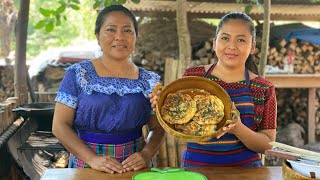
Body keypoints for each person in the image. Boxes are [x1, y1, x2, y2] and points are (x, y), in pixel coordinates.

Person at [150, 12, 276, 167]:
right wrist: (161, 104)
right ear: (215, 43)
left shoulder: (263, 88)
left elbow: (268, 145)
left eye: (241, 40)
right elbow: (176, 125)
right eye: (225, 38)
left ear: (253, 47)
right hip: (196, 170)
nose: (232, 46)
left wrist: (238, 129)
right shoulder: (193, 76)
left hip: (246, 173)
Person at [52, 5, 165, 174]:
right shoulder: (78, 74)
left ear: (135, 37)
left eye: (127, 31)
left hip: (134, 167)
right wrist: (92, 159)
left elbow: (158, 128)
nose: (119, 37)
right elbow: (60, 125)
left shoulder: (149, 81)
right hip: (87, 165)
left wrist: (146, 154)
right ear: (97, 36)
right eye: (111, 30)